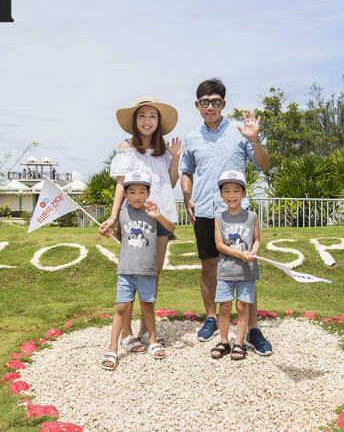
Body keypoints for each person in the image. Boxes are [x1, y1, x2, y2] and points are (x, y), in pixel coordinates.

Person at [180, 77, 273, 356]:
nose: (210, 107)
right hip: (206, 211)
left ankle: (253, 328)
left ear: (224, 104)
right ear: (197, 105)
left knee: (246, 269)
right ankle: (211, 318)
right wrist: (187, 197)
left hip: (236, 213)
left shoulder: (239, 130)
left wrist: (254, 140)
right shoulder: (192, 137)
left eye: (216, 102)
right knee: (209, 267)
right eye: (205, 102)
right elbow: (186, 171)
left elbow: (263, 163)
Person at [99, 95, 182, 353]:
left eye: (153, 116)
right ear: (135, 120)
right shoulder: (126, 146)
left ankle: (147, 331)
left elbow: (170, 182)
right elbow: (120, 184)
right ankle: (126, 333)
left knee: (152, 275)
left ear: (159, 121)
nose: (148, 121)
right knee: (131, 272)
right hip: (134, 217)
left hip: (161, 215)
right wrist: (113, 217)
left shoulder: (163, 149)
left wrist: (176, 157)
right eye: (142, 116)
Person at [100, 170, 175, 370]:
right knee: (121, 308)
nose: (137, 196)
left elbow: (172, 227)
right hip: (126, 270)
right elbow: (118, 235)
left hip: (147, 271)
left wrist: (159, 216)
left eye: (142, 192)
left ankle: (152, 341)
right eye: (132, 192)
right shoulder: (122, 215)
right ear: (125, 194)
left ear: (148, 193)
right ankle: (113, 348)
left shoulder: (152, 213)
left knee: (148, 307)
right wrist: (108, 230)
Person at [210, 171, 261, 361]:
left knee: (242, 307)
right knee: (224, 307)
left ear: (244, 193)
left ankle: (239, 343)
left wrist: (253, 252)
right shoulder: (219, 217)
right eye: (227, 191)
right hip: (226, 271)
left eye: (236, 191)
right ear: (222, 195)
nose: (231, 195)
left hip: (246, 272)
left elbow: (257, 241)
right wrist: (240, 253)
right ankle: (224, 341)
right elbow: (219, 245)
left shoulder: (252, 216)